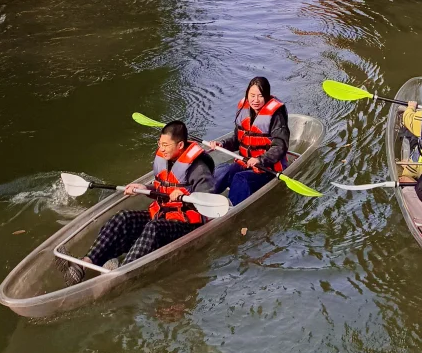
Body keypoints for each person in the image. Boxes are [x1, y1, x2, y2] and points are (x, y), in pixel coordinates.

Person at [63, 121, 215, 284]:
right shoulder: (165, 159)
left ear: (180, 145)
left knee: (153, 228)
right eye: (160, 143)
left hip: (186, 223)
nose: (161, 148)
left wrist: (187, 198)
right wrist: (143, 187)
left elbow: (209, 202)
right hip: (162, 214)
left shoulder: (198, 168)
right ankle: (85, 264)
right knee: (122, 218)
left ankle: (120, 275)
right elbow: (161, 188)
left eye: (165, 145)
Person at [208, 76, 291, 205]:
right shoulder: (244, 109)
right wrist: (222, 144)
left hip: (266, 168)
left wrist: (260, 159)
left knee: (240, 179)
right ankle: (198, 202)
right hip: (245, 162)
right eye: (252, 95)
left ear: (267, 96)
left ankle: (231, 211)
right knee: (223, 171)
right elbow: (237, 139)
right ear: (247, 94)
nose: (255, 100)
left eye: (260, 96)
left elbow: (280, 146)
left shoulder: (276, 115)